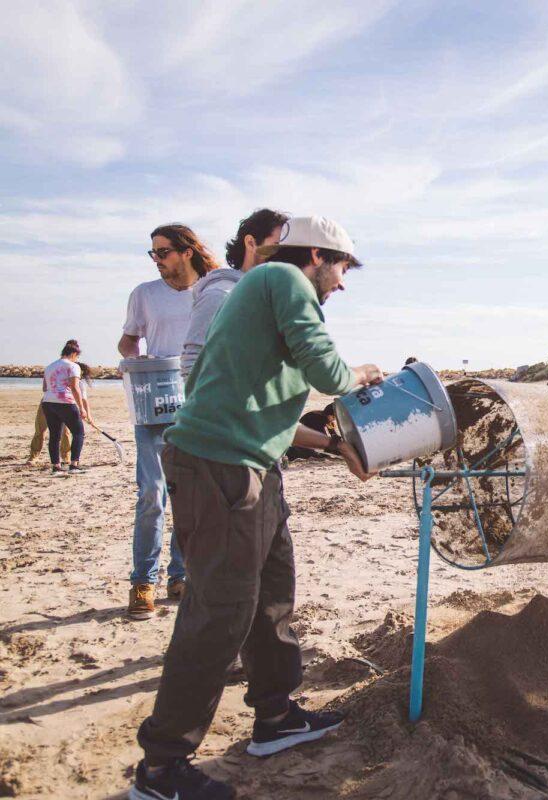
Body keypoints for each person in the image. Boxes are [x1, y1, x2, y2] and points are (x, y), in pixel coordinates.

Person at [129, 216, 384, 800]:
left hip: (252, 466)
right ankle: (161, 769)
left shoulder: (262, 295)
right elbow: (329, 372)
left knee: (272, 597)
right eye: (344, 268)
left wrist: (336, 445)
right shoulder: (283, 278)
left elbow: (263, 406)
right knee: (218, 616)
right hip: (219, 468)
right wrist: (363, 374)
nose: (343, 284)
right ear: (317, 255)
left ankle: (275, 718)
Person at [120, 224, 219, 621]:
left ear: (187, 252)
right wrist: (134, 360)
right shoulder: (144, 294)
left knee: (189, 498)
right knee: (151, 496)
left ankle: (180, 576)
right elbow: (128, 342)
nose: (157, 260)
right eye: (153, 254)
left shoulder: (213, 292)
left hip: (198, 408)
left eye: (163, 252)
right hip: (152, 407)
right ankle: (142, 582)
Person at [180, 209, 288, 380]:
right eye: (277, 246)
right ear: (251, 243)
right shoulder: (220, 294)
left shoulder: (276, 298)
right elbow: (193, 364)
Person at [39, 340, 92, 474]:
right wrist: (82, 408)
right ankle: (74, 465)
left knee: (55, 435)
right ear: (74, 353)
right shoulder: (73, 366)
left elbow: (45, 387)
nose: (77, 359)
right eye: (77, 356)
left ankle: (56, 467)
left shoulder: (50, 366)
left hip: (48, 402)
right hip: (66, 402)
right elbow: (74, 387)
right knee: (79, 432)